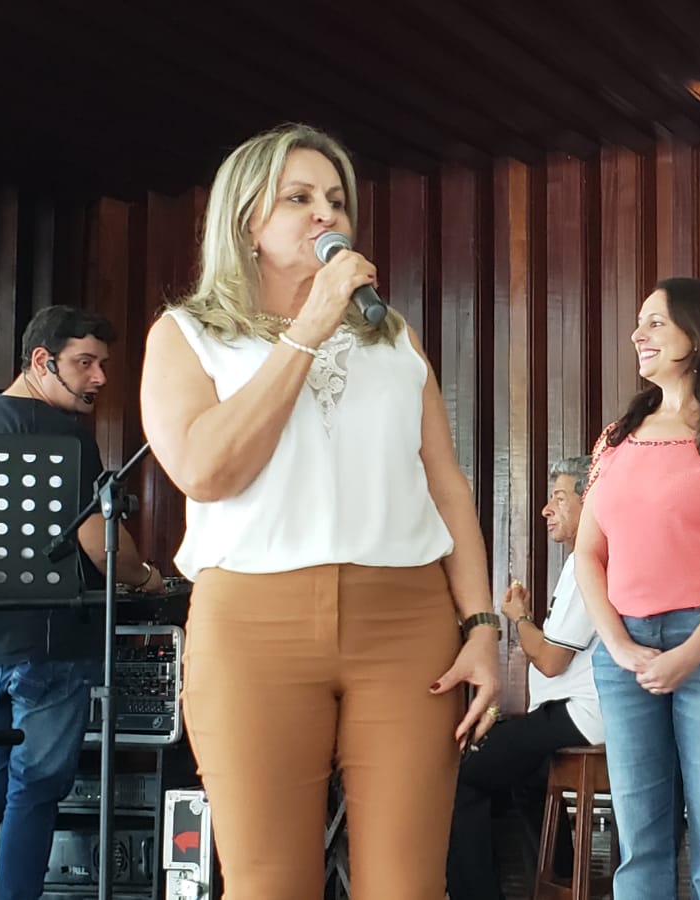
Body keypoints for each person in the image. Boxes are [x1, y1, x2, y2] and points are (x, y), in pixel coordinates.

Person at [139, 123, 499, 899]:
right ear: (247, 223)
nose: (325, 214)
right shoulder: (187, 336)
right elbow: (205, 471)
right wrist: (306, 329)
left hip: (406, 622)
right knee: (269, 884)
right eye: (298, 198)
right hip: (252, 623)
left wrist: (481, 626)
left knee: (408, 887)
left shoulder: (395, 339)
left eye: (336, 199)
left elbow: (446, 486)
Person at [0, 305, 166, 900]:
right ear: (42, 361)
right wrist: (147, 578)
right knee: (34, 789)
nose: (100, 378)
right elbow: (98, 542)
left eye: (103, 365)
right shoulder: (64, 435)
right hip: (52, 643)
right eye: (85, 363)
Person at [573, 277, 700, 900]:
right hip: (625, 650)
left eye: (656, 322)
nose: (638, 334)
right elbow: (587, 553)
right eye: (640, 322)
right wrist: (617, 645)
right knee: (638, 843)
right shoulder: (615, 435)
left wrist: (691, 652)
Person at [446, 456, 604, 900]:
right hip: (573, 712)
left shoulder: (590, 559)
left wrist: (518, 618)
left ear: (590, 500)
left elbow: (551, 660)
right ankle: (558, 884)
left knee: (464, 776)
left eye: (559, 498)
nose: (546, 510)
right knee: (525, 776)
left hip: (582, 713)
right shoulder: (586, 560)